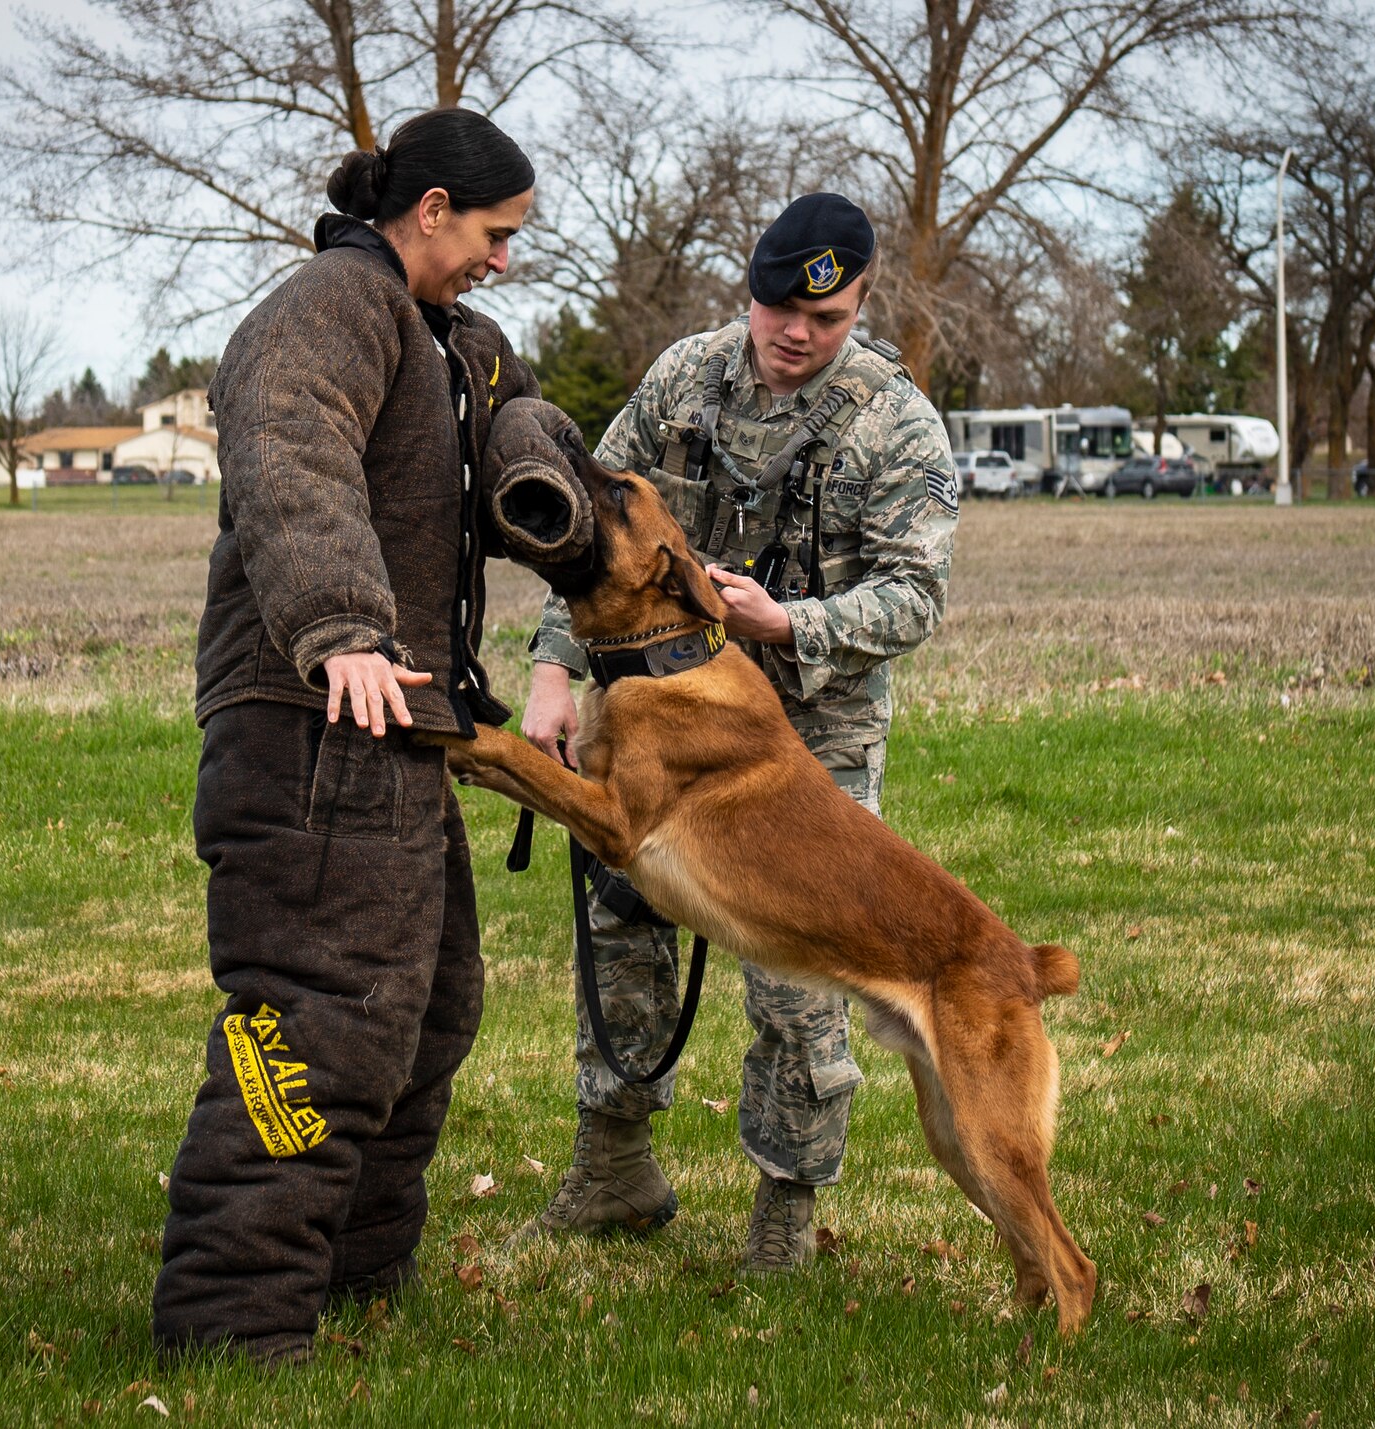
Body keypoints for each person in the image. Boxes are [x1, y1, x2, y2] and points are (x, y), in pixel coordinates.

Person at [154, 108, 540, 1368]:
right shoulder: (330, 303)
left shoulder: (453, 341)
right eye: (492, 234)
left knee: (423, 1012)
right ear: (429, 209)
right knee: (313, 1019)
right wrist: (340, 627)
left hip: (397, 725)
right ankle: (231, 1320)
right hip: (308, 712)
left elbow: (518, 428)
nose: (501, 259)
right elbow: (287, 446)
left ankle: (353, 1277)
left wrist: (539, 465)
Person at [520, 193, 959, 1272]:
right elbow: (584, 524)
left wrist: (787, 620)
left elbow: (914, 597)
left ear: (857, 305)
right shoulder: (684, 379)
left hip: (807, 744)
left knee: (800, 982)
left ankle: (783, 1213)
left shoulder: (893, 422)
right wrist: (547, 670)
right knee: (617, 920)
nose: (793, 333)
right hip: (650, 714)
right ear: (751, 290)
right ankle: (614, 1163)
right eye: (775, 306)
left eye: (825, 316)